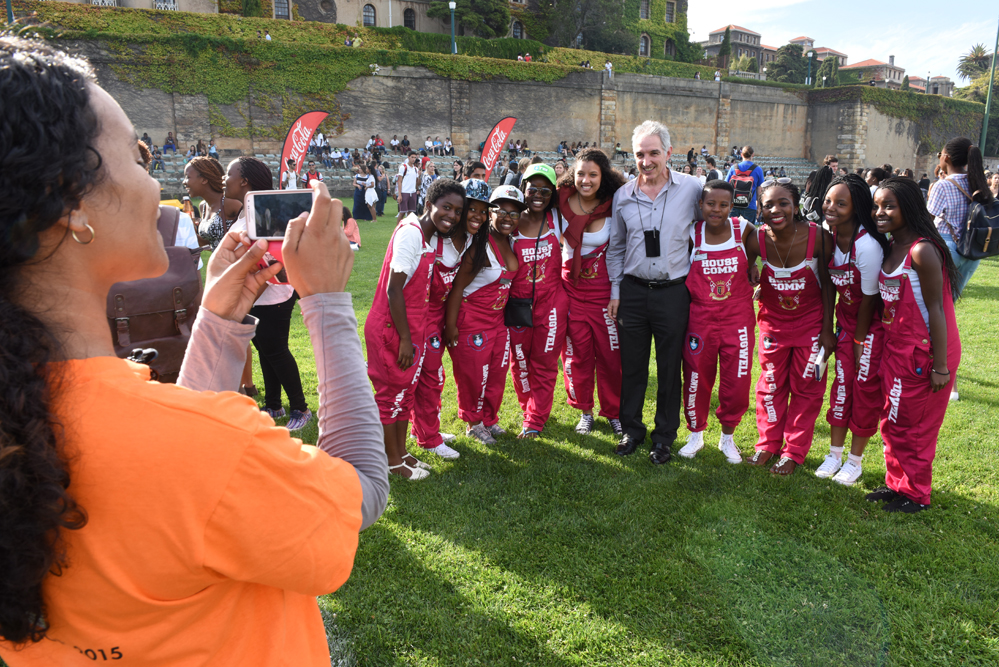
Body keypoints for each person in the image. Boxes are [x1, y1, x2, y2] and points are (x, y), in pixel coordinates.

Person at [0, 37, 387, 666]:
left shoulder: (31, 407)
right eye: (139, 157)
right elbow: (363, 489)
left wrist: (217, 320)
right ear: (72, 201)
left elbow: (170, 470)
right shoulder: (204, 446)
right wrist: (327, 303)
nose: (157, 184)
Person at [608, 122, 701, 463]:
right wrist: (616, 291)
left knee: (669, 368)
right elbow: (616, 248)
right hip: (632, 292)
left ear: (669, 153)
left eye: (653, 153)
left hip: (673, 293)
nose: (646, 161)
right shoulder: (623, 196)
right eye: (639, 154)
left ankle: (664, 437)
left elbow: (715, 227)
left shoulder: (692, 189)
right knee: (631, 367)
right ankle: (632, 430)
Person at [870, 177, 962, 512]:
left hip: (926, 354)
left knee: (916, 428)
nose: (881, 212)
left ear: (909, 208)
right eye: (877, 205)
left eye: (889, 206)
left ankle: (917, 494)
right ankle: (897, 485)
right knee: (893, 420)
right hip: (898, 350)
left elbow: (937, 310)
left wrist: (941, 366)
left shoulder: (921, 250)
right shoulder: (891, 245)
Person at [365, 179, 465, 480]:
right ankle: (390, 462)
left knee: (404, 396)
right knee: (390, 397)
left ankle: (402, 453)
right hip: (392, 329)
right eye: (446, 207)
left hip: (411, 327)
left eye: (458, 211)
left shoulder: (427, 236)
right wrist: (405, 340)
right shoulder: (410, 234)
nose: (452, 216)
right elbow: (394, 290)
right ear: (428, 205)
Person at [747, 178, 837, 475]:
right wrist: (756, 277)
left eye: (783, 203)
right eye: (768, 204)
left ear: (796, 206)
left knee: (807, 388)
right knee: (770, 386)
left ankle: (793, 451)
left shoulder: (818, 237)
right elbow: (750, 268)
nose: (776, 209)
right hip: (774, 325)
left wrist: (827, 329)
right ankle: (767, 445)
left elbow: (828, 285)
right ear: (759, 209)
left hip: (811, 325)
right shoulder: (756, 239)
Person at [224, 157, 313, 431]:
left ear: (244, 181)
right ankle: (274, 404)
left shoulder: (266, 212)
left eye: (229, 174)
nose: (224, 180)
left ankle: (300, 408)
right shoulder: (245, 213)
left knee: (276, 350)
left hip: (273, 294)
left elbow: (280, 253)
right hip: (255, 296)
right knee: (264, 349)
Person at [812, 174, 890, 486]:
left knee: (864, 391)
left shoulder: (867, 247)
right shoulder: (826, 237)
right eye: (828, 201)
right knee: (841, 388)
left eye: (840, 203)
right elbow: (829, 284)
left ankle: (854, 461)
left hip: (867, 330)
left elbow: (870, 300)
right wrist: (828, 329)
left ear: (856, 209)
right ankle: (834, 453)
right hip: (844, 327)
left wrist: (859, 339)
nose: (831, 208)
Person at [677, 180, 759, 463]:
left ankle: (728, 437)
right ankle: (696, 434)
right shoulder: (692, 233)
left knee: (737, 381)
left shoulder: (743, 229)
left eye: (724, 204)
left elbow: (766, 248)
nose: (717, 210)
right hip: (701, 318)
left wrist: (756, 266)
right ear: (701, 205)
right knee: (696, 377)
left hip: (738, 318)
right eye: (711, 204)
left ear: (732, 205)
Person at [411, 179, 489, 459]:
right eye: (471, 209)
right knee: (429, 375)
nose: (477, 216)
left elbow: (456, 287)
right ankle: (428, 437)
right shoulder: (431, 235)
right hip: (418, 314)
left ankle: (422, 427)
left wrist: (449, 323)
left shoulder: (471, 239)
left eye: (483, 211)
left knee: (431, 375)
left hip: (437, 315)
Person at [445, 185, 523, 443]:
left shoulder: (511, 241)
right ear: (490, 212)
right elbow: (457, 288)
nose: (507, 218)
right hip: (471, 322)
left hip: (497, 322)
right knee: (473, 377)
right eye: (501, 211)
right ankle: (473, 423)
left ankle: (489, 419)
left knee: (496, 376)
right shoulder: (479, 244)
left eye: (514, 214)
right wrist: (451, 325)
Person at [559, 147, 627, 437]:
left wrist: (616, 292)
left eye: (593, 175)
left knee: (612, 358)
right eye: (581, 174)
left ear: (604, 177)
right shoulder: (559, 201)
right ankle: (585, 411)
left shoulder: (614, 205)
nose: (585, 180)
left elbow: (620, 252)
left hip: (604, 294)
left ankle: (613, 412)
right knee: (577, 356)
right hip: (571, 291)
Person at [507, 164, 568, 438]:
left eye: (545, 190)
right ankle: (528, 407)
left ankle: (535, 419)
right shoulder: (510, 221)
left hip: (552, 302)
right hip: (517, 305)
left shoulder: (557, 218)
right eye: (533, 189)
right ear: (524, 189)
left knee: (543, 362)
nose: (538, 195)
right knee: (520, 361)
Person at [929, 136, 993, 299]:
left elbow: (927, 220)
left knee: (933, 304)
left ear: (946, 157)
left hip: (947, 246)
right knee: (949, 304)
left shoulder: (942, 185)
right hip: (973, 250)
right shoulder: (977, 182)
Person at [186, 156, 241, 250]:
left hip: (236, 262)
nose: (184, 182)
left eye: (188, 177)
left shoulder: (229, 202)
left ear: (204, 179)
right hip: (219, 263)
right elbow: (210, 242)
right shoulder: (203, 206)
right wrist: (192, 231)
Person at [725, 146, 765, 222]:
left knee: (731, 231)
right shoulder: (758, 169)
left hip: (734, 204)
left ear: (741, 154)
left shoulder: (733, 168)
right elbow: (760, 190)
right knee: (749, 232)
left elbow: (726, 185)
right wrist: (759, 206)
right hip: (750, 205)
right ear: (753, 154)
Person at [397, 151, 420, 219]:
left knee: (410, 213)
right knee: (402, 212)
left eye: (415, 157)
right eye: (412, 157)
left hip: (413, 192)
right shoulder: (403, 167)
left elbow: (417, 182)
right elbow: (399, 181)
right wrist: (400, 195)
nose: (413, 159)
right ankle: (398, 228)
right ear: (408, 157)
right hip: (405, 192)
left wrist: (420, 176)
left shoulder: (415, 169)